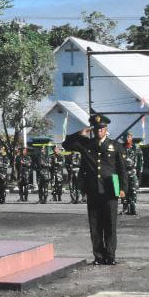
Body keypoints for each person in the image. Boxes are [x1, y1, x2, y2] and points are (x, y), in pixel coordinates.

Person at [62, 113, 130, 266]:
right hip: (93, 189)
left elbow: (122, 169)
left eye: (102, 129)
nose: (99, 131)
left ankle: (110, 256)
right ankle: (98, 256)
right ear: (93, 130)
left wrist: (124, 188)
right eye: (97, 129)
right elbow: (66, 144)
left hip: (111, 189)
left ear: (106, 129)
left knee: (110, 224)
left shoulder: (116, 146)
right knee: (95, 225)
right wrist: (79, 134)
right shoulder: (86, 144)